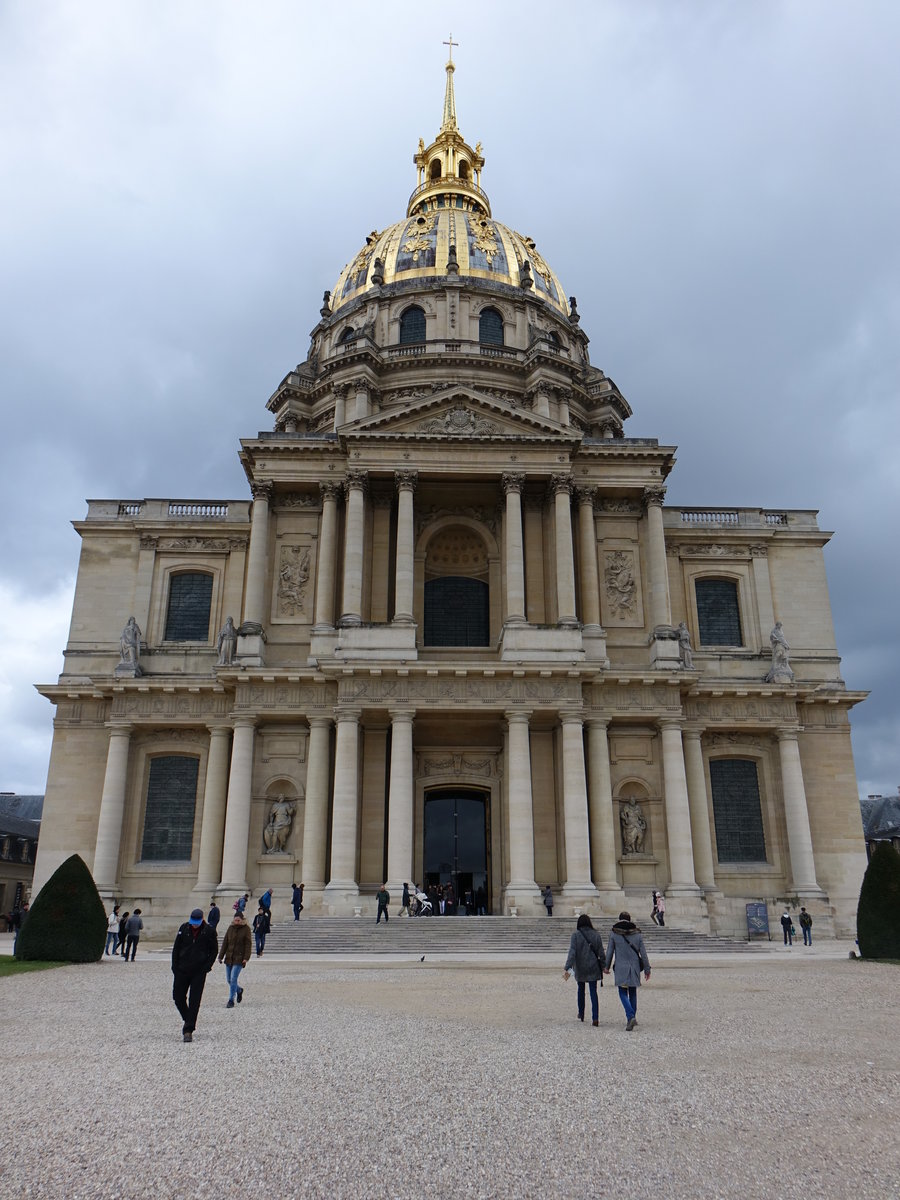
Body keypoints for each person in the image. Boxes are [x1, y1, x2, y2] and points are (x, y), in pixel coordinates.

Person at [171, 907, 219, 1042]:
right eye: (192, 921)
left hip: (199, 971)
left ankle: (188, 1030)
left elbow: (214, 950)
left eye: (196, 921)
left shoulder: (209, 931)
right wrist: (175, 967)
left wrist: (207, 967)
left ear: (202, 919)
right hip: (182, 969)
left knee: (194, 1000)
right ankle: (188, 1019)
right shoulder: (184, 928)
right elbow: (176, 948)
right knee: (177, 997)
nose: (194, 924)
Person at [604, 911, 651, 1031]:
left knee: (623, 992)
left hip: (621, 967)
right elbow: (643, 954)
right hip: (634, 967)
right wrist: (647, 968)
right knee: (633, 992)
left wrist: (606, 967)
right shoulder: (637, 934)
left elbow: (609, 951)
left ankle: (630, 1017)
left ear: (619, 920)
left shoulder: (614, 933)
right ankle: (632, 1017)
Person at [563, 914, 605, 1026]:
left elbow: (572, 953)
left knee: (580, 990)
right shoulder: (596, 935)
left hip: (580, 967)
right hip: (593, 966)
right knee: (593, 992)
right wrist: (604, 966)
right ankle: (595, 1018)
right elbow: (601, 952)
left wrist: (567, 967)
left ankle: (581, 1013)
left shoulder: (575, 935)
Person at [218, 910, 252, 1008]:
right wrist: (220, 956)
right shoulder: (230, 928)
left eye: (238, 920)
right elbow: (225, 942)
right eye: (235, 920)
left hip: (239, 958)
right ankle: (239, 990)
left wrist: (246, 957)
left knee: (233, 979)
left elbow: (248, 944)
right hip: (229, 957)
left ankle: (231, 1000)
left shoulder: (246, 929)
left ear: (242, 920)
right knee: (229, 979)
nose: (237, 922)